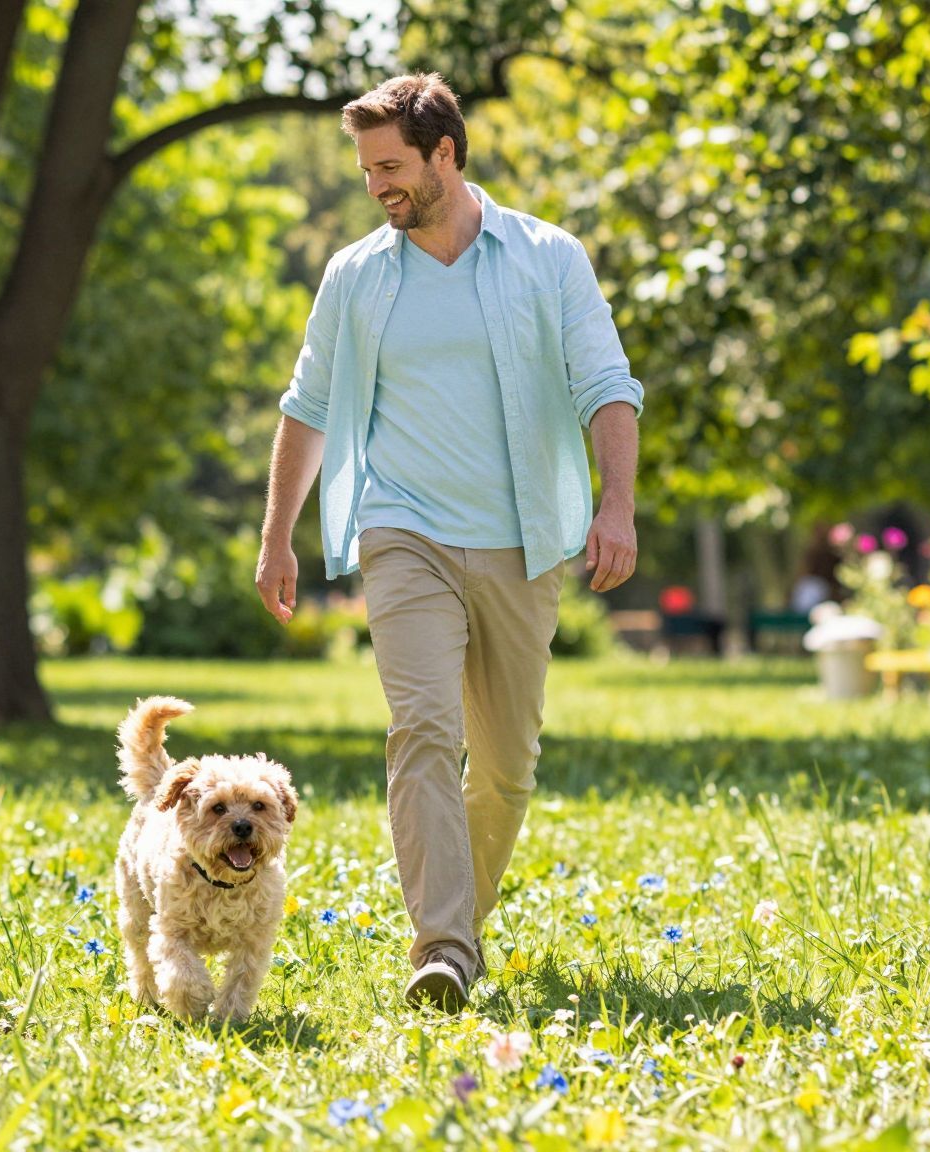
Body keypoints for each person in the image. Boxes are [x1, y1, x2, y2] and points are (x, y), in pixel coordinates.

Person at [253, 74, 645, 1011]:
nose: (376, 186)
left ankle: (459, 922)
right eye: (366, 170)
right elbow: (308, 405)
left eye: (391, 167)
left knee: (505, 767)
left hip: (522, 539)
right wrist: (277, 536)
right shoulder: (356, 274)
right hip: (403, 530)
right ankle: (443, 947)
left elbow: (606, 384)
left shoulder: (548, 258)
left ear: (445, 153)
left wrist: (617, 507)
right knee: (423, 729)